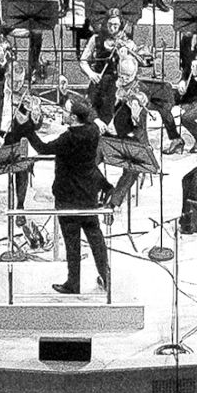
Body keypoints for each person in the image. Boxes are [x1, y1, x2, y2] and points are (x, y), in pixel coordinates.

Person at [49, 94, 114, 296]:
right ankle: (106, 278)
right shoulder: (93, 131)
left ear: (74, 117)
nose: (63, 113)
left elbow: (43, 147)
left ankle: (73, 283)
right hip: (88, 195)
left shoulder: (67, 138)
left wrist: (27, 129)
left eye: (66, 111)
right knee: (96, 237)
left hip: (68, 196)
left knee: (72, 242)